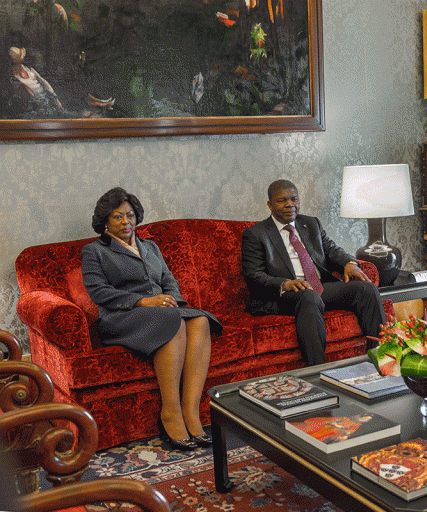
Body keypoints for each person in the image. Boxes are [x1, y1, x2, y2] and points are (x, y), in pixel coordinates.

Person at [81, 187, 222, 451]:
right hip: (122, 317)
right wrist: (144, 301)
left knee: (200, 320)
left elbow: (170, 282)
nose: (126, 222)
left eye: (130, 215)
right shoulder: (94, 251)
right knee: (173, 321)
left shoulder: (150, 247)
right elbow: (98, 291)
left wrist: (169, 300)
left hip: (161, 311)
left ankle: (191, 412)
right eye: (118, 217)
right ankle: (170, 413)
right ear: (105, 222)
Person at [241, 179, 386, 366]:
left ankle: (382, 359)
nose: (290, 204)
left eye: (294, 199)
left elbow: (332, 250)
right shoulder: (256, 234)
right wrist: (284, 283)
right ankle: (318, 371)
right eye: (282, 200)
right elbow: (253, 275)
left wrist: (349, 264)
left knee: (366, 289)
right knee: (309, 297)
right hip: (284, 295)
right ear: (270, 205)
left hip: (318, 287)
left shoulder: (310, 224)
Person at [8, 46, 64, 116]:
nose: (24, 58)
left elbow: (43, 82)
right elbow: (28, 93)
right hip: (36, 106)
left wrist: (55, 99)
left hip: (48, 98)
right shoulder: (14, 77)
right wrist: (39, 104)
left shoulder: (29, 69)